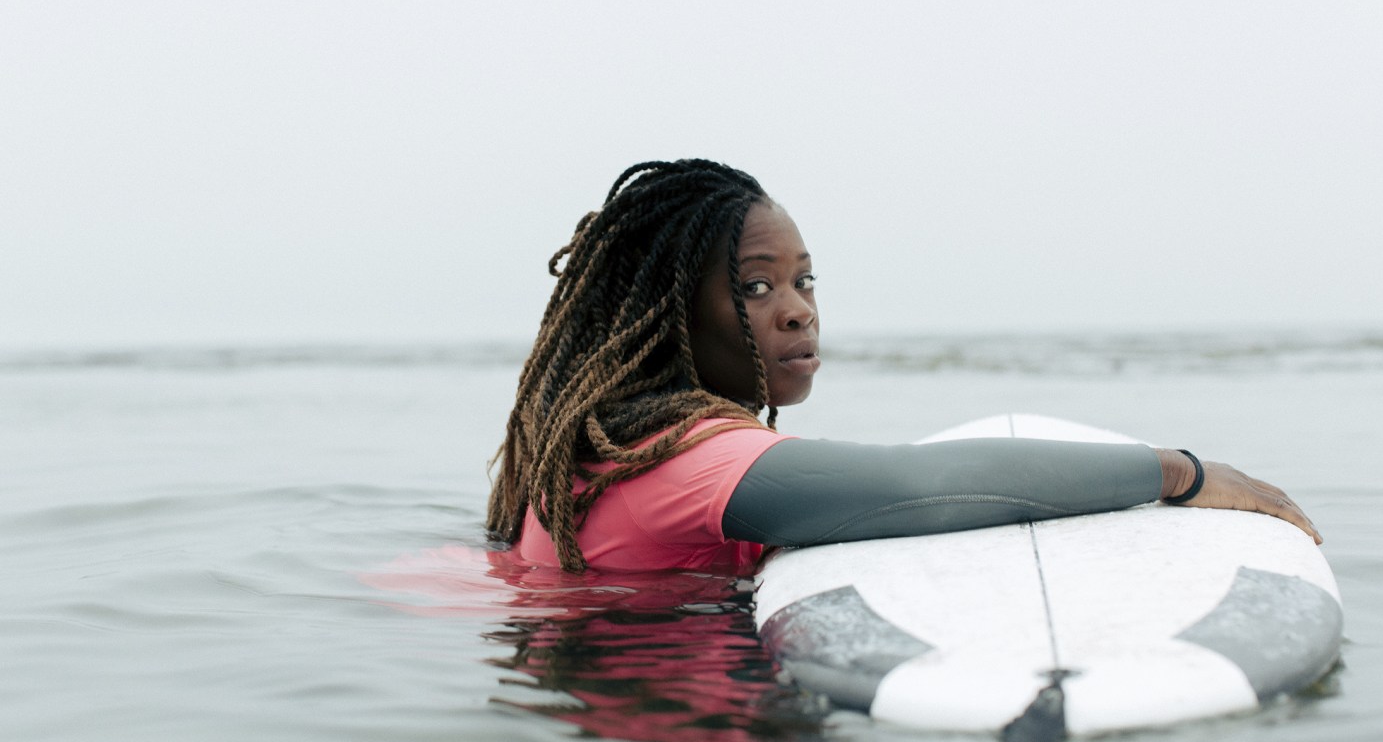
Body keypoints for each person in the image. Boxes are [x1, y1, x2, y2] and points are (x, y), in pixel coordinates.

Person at [487, 159, 1320, 573]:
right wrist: (1178, 472)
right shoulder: (694, 461)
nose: (797, 308)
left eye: (804, 280)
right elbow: (925, 488)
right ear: (658, 315)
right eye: (754, 286)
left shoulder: (601, 450)